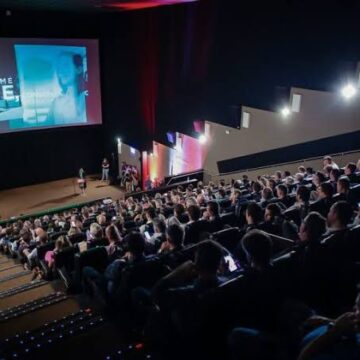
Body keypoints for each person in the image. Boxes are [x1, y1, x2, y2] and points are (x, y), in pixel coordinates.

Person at [47, 52, 87, 125]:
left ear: (79, 69)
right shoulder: (55, 103)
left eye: (65, 65)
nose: (60, 72)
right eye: (59, 68)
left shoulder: (88, 100)